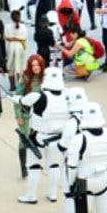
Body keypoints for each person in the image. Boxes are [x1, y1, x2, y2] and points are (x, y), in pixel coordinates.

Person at [19, 65, 69, 204]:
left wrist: (13, 97)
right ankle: (52, 194)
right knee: (54, 166)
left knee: (34, 166)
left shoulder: (38, 96)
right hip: (59, 138)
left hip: (39, 136)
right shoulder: (68, 96)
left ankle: (31, 195)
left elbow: (22, 101)